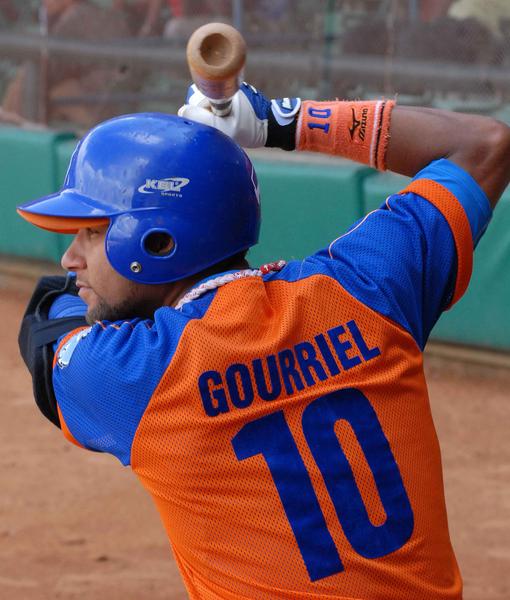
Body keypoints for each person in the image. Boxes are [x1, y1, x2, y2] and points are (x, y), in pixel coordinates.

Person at [17, 80, 510, 599]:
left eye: (92, 233)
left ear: (156, 242)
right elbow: (483, 145)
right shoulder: (363, 287)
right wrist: (280, 122)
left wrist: (72, 292)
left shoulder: (134, 372)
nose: (71, 258)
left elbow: (48, 323)